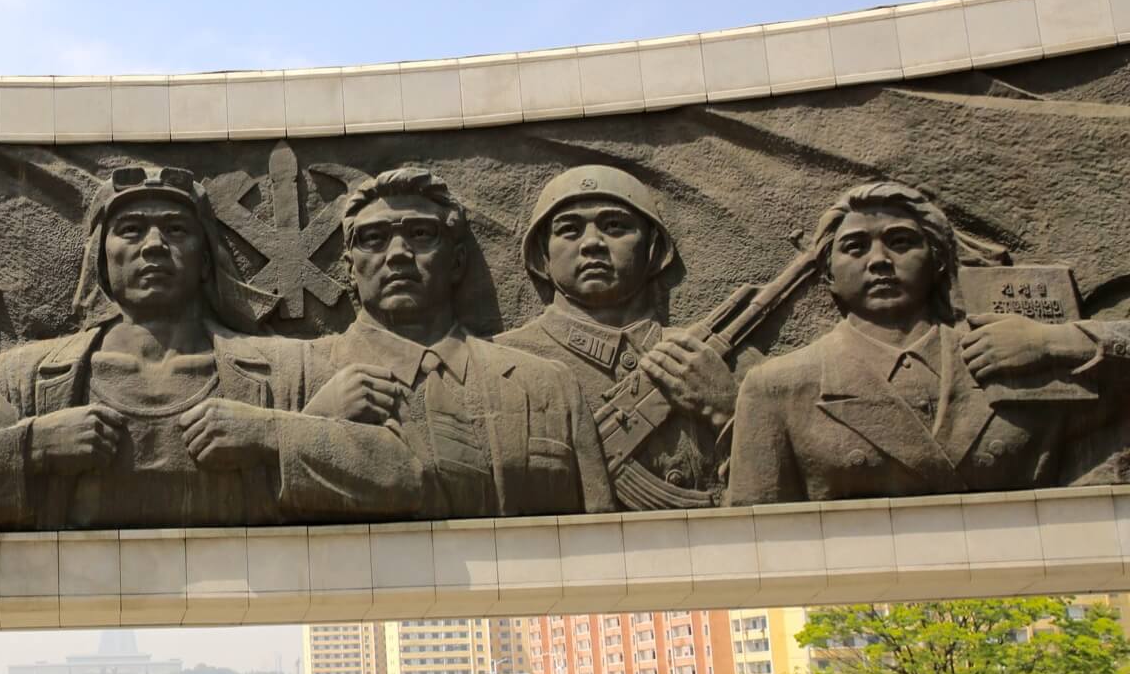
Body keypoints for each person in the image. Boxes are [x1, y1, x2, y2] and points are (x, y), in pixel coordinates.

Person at [0, 165, 411, 529]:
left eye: (175, 229)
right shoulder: (28, 376)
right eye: (130, 230)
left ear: (206, 257)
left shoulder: (288, 370)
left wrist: (272, 432)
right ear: (101, 257)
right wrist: (33, 445)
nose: (152, 246)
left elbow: (402, 472)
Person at [728, 182, 1114, 504]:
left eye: (900, 242)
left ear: (939, 261)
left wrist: (1056, 343)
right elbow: (753, 538)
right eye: (855, 247)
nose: (879, 261)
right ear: (827, 275)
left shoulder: (1018, 351)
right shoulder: (776, 387)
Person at [303, 167, 616, 516]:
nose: (398, 254)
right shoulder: (304, 374)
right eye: (374, 238)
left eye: (421, 234)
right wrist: (314, 427)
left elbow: (606, 535)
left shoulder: (548, 385)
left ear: (457, 261)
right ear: (349, 269)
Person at [496, 165, 735, 509]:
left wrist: (728, 412)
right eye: (569, 229)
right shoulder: (501, 364)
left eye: (615, 226)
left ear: (654, 249)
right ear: (541, 257)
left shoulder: (714, 364)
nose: (592, 243)